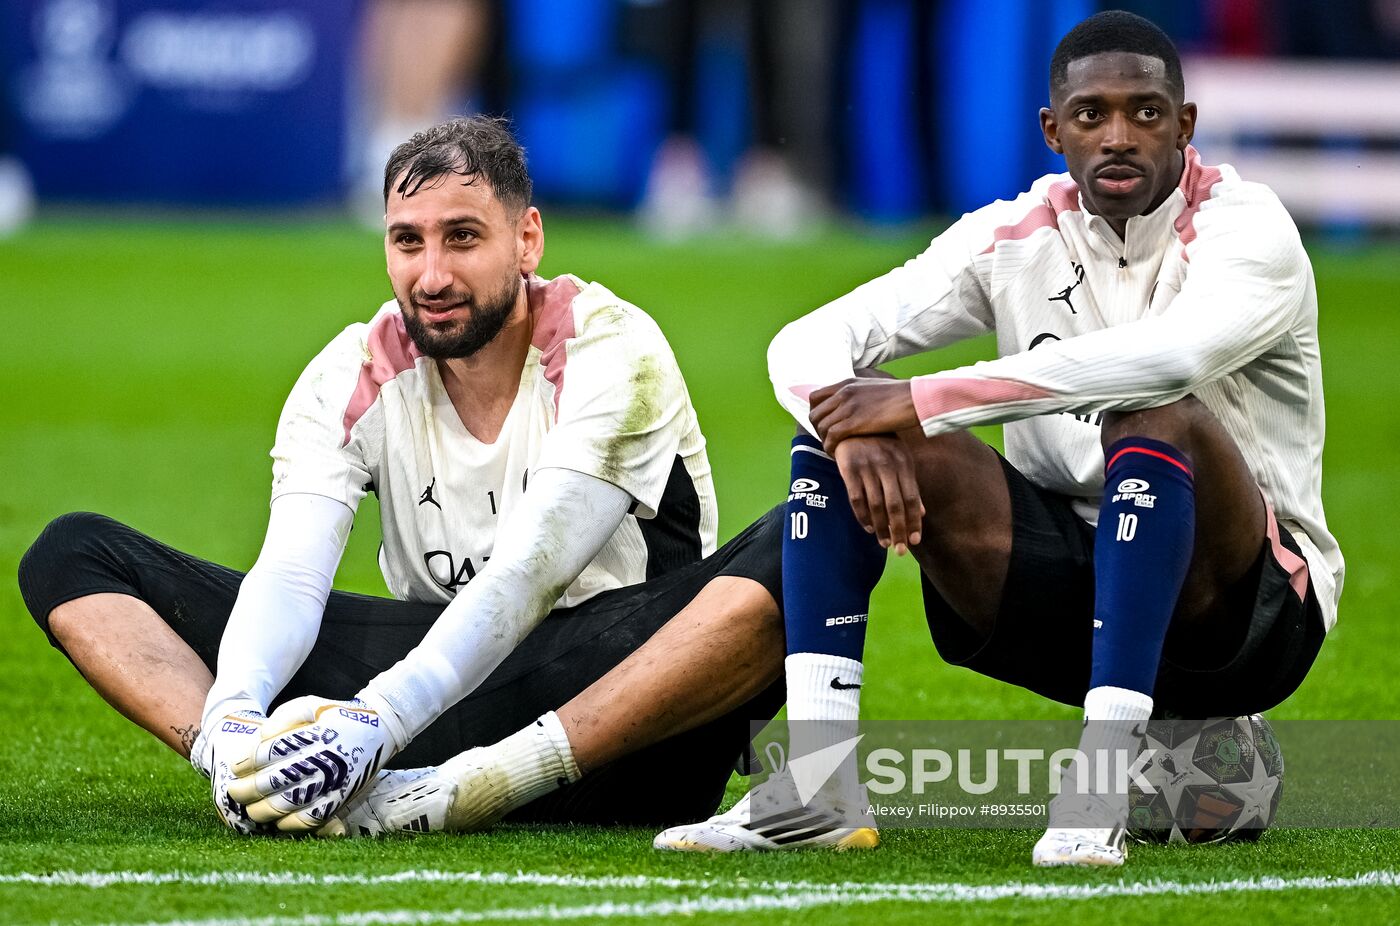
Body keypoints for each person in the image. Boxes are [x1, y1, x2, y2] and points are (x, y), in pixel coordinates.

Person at [658, 9, 1343, 866]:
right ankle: (817, 784)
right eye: (1092, 116)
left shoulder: (1250, 229)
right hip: (1071, 598)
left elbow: (1172, 359)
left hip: (1248, 616)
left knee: (1149, 410)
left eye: (1147, 112)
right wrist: (854, 428)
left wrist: (921, 398)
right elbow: (802, 342)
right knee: (836, 418)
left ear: (1187, 126)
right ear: (1054, 130)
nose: (1119, 135)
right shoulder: (1014, 234)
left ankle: (1104, 786)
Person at [18, 115, 790, 836]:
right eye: (407, 241)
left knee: (802, 539)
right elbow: (290, 576)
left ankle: (467, 791)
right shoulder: (351, 372)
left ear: (527, 242)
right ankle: (257, 778)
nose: (431, 274)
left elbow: (526, 578)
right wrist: (233, 721)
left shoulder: (612, 350)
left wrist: (374, 721)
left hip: (618, 718)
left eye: (462, 238)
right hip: (432, 697)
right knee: (72, 555)